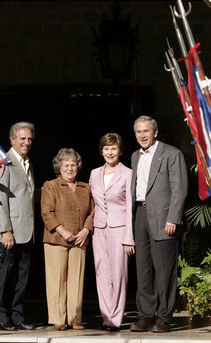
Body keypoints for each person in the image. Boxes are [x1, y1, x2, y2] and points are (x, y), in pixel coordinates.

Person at [130, 115, 188, 333]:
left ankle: (164, 316)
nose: (142, 135)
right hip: (140, 214)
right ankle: (145, 314)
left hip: (164, 218)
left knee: (164, 270)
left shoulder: (172, 154)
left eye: (146, 131)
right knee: (143, 268)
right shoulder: (135, 156)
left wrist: (173, 217)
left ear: (155, 132)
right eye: (138, 132)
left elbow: (179, 189)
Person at [0, 122, 36, 331]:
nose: (27, 142)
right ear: (13, 140)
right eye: (22, 138)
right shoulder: (3, 162)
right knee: (2, 276)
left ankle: (17, 317)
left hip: (26, 231)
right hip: (7, 233)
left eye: (30, 139)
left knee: (20, 278)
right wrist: (5, 230)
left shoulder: (27, 163)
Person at [41, 148, 94, 331]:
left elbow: (92, 212)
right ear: (59, 167)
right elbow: (47, 212)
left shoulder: (85, 187)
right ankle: (58, 318)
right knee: (57, 280)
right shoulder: (51, 185)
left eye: (73, 165)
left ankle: (75, 318)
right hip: (56, 239)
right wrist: (62, 231)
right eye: (66, 165)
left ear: (77, 167)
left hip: (79, 240)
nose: (70, 169)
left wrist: (86, 230)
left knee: (76, 280)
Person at [89, 133, 134, 331]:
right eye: (106, 148)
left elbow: (131, 207)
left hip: (120, 229)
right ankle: (106, 317)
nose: (110, 152)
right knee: (102, 274)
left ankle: (116, 318)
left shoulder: (128, 173)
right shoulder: (94, 173)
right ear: (101, 151)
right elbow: (92, 204)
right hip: (99, 229)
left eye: (113, 148)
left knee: (119, 275)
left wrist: (129, 238)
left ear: (120, 151)